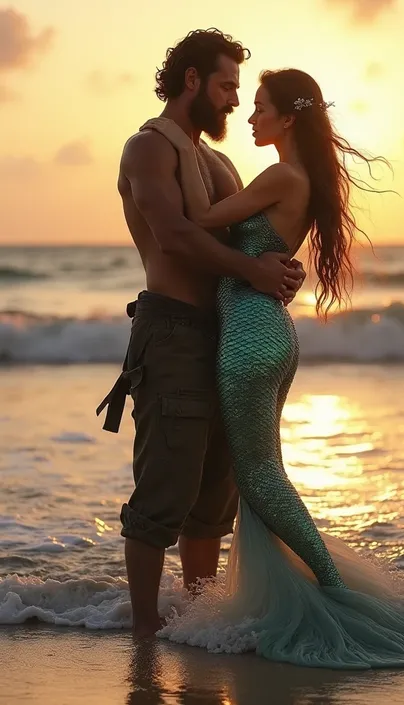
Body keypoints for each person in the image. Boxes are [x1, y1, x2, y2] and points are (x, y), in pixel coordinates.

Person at [142, 68, 404, 668]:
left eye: (261, 107)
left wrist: (176, 138)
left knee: (260, 476)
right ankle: (302, 589)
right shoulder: (294, 179)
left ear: (288, 118)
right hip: (270, 333)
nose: (250, 116)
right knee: (261, 472)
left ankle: (332, 588)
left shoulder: (278, 175)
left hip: (249, 336)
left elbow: (198, 218)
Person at [96, 29, 306, 638]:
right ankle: (142, 635)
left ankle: (197, 625)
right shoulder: (147, 149)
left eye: (239, 88)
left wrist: (279, 267)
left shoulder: (217, 161)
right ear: (192, 81)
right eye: (225, 86)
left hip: (226, 335)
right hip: (173, 331)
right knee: (165, 488)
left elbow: (246, 241)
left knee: (215, 499)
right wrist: (255, 271)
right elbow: (176, 236)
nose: (235, 101)